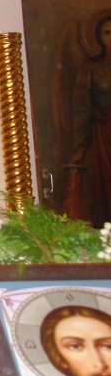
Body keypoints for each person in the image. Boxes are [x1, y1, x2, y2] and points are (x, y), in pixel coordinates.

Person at [71, 15, 111, 227]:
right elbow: (82, 109)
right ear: (98, 37)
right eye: (107, 33)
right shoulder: (91, 69)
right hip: (105, 136)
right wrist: (80, 147)